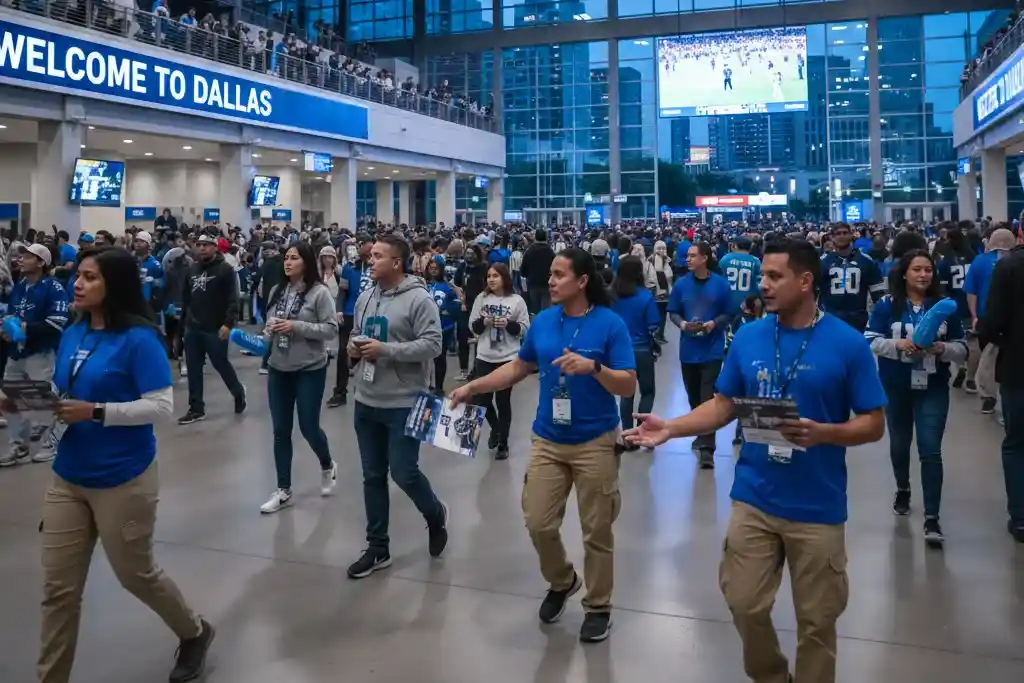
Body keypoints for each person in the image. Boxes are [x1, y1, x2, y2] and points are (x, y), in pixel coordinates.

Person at [624, 238, 887, 683]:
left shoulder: (846, 344)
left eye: (773, 276)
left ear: (805, 282)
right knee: (743, 602)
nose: (762, 285)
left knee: (817, 622)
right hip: (754, 496)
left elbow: (873, 423)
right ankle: (770, 675)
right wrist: (672, 427)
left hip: (817, 506)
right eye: (762, 275)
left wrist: (826, 433)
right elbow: (724, 404)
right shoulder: (748, 336)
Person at [23, 247, 213, 683]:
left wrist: (96, 411)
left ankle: (194, 631)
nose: (78, 284)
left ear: (114, 285)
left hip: (124, 479)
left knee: (136, 575)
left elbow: (161, 407)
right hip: (69, 476)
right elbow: (61, 387)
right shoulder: (74, 330)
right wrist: (23, 398)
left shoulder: (140, 339)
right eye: (79, 275)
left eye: (90, 277)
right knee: (58, 592)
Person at [450, 248, 637, 644]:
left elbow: (628, 384)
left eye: (558, 274)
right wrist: (473, 386)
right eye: (549, 274)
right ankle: (563, 579)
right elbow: (520, 366)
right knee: (537, 520)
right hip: (548, 438)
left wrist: (595, 368)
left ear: (582, 281)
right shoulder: (545, 321)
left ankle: (598, 605)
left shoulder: (610, 325)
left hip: (596, 441)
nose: (549, 281)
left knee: (596, 531)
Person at [347, 234, 449, 579]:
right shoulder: (364, 297)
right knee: (372, 475)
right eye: (369, 255)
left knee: (404, 472)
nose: (370, 259)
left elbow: (433, 345)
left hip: (406, 402)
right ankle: (378, 547)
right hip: (366, 398)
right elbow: (355, 334)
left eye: (378, 256)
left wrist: (386, 350)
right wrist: (354, 349)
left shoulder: (419, 299)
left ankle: (435, 513)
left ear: (397, 263)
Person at [865, 249, 967, 547]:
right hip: (895, 385)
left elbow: (962, 347)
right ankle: (903, 487)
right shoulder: (887, 306)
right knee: (899, 443)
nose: (924, 275)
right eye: (917, 269)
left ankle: (932, 517)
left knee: (930, 448)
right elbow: (869, 340)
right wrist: (898, 344)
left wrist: (941, 349)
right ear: (905, 273)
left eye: (928, 270)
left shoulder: (945, 307)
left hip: (933, 386)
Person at [259, 243, 340, 514]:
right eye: (286, 258)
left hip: (310, 368)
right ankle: (283, 489)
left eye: (294, 258)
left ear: (306, 261)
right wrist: (267, 332)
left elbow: (330, 329)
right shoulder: (277, 291)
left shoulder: (319, 293)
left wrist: (297, 326)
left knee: (308, 426)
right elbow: (271, 325)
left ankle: (327, 464)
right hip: (278, 367)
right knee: (280, 430)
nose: (288, 262)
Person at [0, 243, 69, 466]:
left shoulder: (54, 288)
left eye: (28, 257)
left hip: (39, 352)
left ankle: (52, 442)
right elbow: (12, 315)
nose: (21, 259)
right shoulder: (20, 286)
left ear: (41, 262)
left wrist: (24, 328)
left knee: (41, 400)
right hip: (16, 353)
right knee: (10, 400)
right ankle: (18, 445)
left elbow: (57, 323)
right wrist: (6, 329)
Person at [667, 242, 733, 468]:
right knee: (694, 398)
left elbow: (730, 313)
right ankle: (700, 431)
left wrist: (714, 323)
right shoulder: (681, 285)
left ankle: (708, 449)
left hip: (712, 350)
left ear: (704, 258)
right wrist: (683, 324)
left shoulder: (721, 286)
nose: (687, 259)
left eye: (693, 256)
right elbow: (673, 312)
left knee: (708, 399)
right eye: (687, 256)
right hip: (688, 351)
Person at [979, 239, 1024, 543]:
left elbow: (991, 321)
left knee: (1017, 444)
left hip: (1017, 367)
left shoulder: (1007, 266)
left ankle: (1021, 518)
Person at [178, 234, 246, 424]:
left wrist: (228, 324)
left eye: (206, 245)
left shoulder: (225, 269)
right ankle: (196, 408)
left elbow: (232, 300)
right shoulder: (192, 269)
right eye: (199, 245)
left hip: (215, 327)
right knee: (193, 368)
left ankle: (238, 391)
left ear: (215, 248)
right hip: (193, 327)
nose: (201, 248)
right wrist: (183, 325)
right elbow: (186, 299)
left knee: (220, 363)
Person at [468, 262, 530, 460]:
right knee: (482, 399)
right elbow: (473, 326)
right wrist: (484, 322)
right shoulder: (482, 298)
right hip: (485, 355)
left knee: (503, 401)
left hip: (508, 357)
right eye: (489, 276)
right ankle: (496, 428)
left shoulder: (517, 300)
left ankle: (503, 442)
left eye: (495, 276)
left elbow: (524, 329)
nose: (491, 279)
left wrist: (508, 324)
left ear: (504, 278)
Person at [965, 227, 1017, 414]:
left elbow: (971, 291)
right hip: (1013, 322)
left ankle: (988, 396)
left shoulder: (979, 261)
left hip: (987, 319)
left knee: (988, 358)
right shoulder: (1016, 261)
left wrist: (974, 316)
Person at [610, 256, 659, 451]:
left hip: (619, 352)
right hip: (642, 350)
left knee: (626, 394)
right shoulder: (645, 296)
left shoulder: (611, 297)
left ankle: (627, 436)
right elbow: (653, 325)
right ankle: (642, 433)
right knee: (647, 391)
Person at [328, 234, 372, 407]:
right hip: (349, 314)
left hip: (370, 315)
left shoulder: (377, 266)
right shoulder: (349, 267)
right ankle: (340, 391)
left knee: (368, 354)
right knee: (343, 354)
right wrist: (338, 309)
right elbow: (342, 292)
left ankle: (366, 392)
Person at [819, 222, 885, 331]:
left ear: (851, 235)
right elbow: (814, 294)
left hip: (858, 321)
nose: (842, 236)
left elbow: (878, 293)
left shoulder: (866, 261)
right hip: (830, 320)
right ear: (832, 237)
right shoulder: (823, 262)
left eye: (845, 233)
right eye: (838, 233)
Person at [426, 258, 460, 395]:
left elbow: (457, 305)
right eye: (431, 268)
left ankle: (439, 387)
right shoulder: (426, 285)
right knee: (426, 359)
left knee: (440, 358)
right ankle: (427, 384)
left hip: (444, 327)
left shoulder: (448, 287)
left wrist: (448, 311)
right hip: (426, 328)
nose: (433, 270)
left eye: (436, 268)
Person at [521, 229, 555, 315]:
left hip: (533, 283)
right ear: (546, 238)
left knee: (535, 310)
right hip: (547, 283)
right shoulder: (550, 251)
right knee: (546, 310)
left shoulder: (529, 251)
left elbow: (523, 269)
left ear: (535, 237)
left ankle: (536, 325)